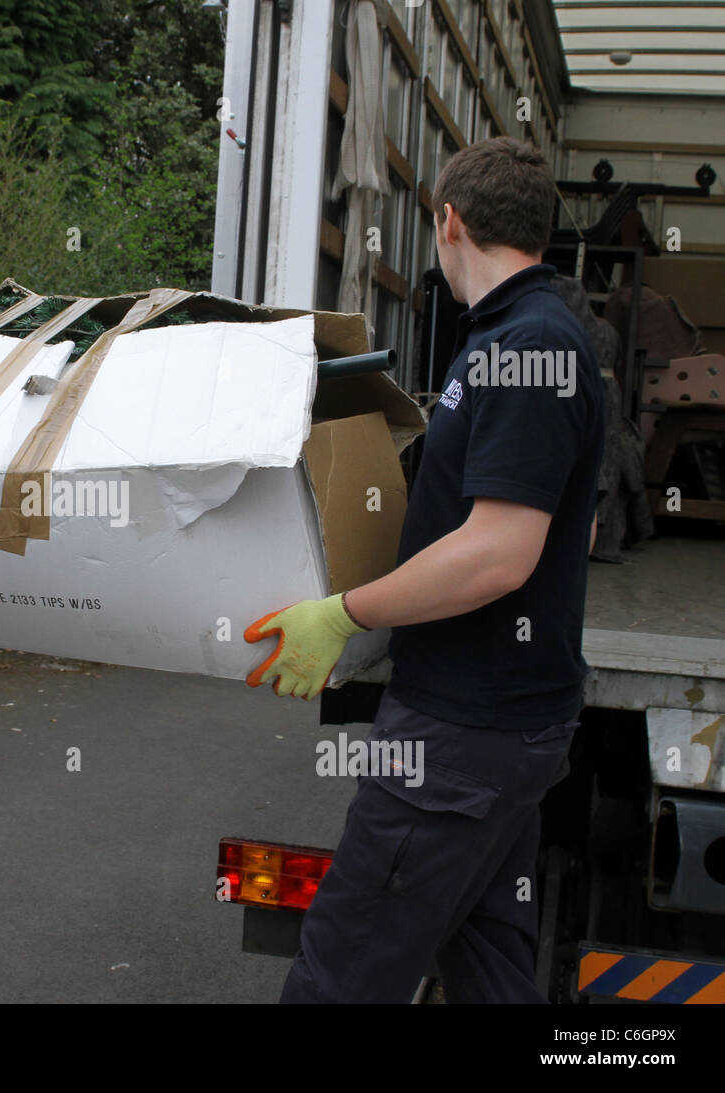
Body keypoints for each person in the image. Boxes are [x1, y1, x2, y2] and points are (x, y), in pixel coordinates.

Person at [245, 137, 605, 1003]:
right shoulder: (529, 336)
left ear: (450, 222)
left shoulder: (526, 346)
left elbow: (499, 551)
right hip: (500, 727)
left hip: (460, 734)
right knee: (486, 967)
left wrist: (345, 612)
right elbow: (576, 528)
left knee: (344, 971)